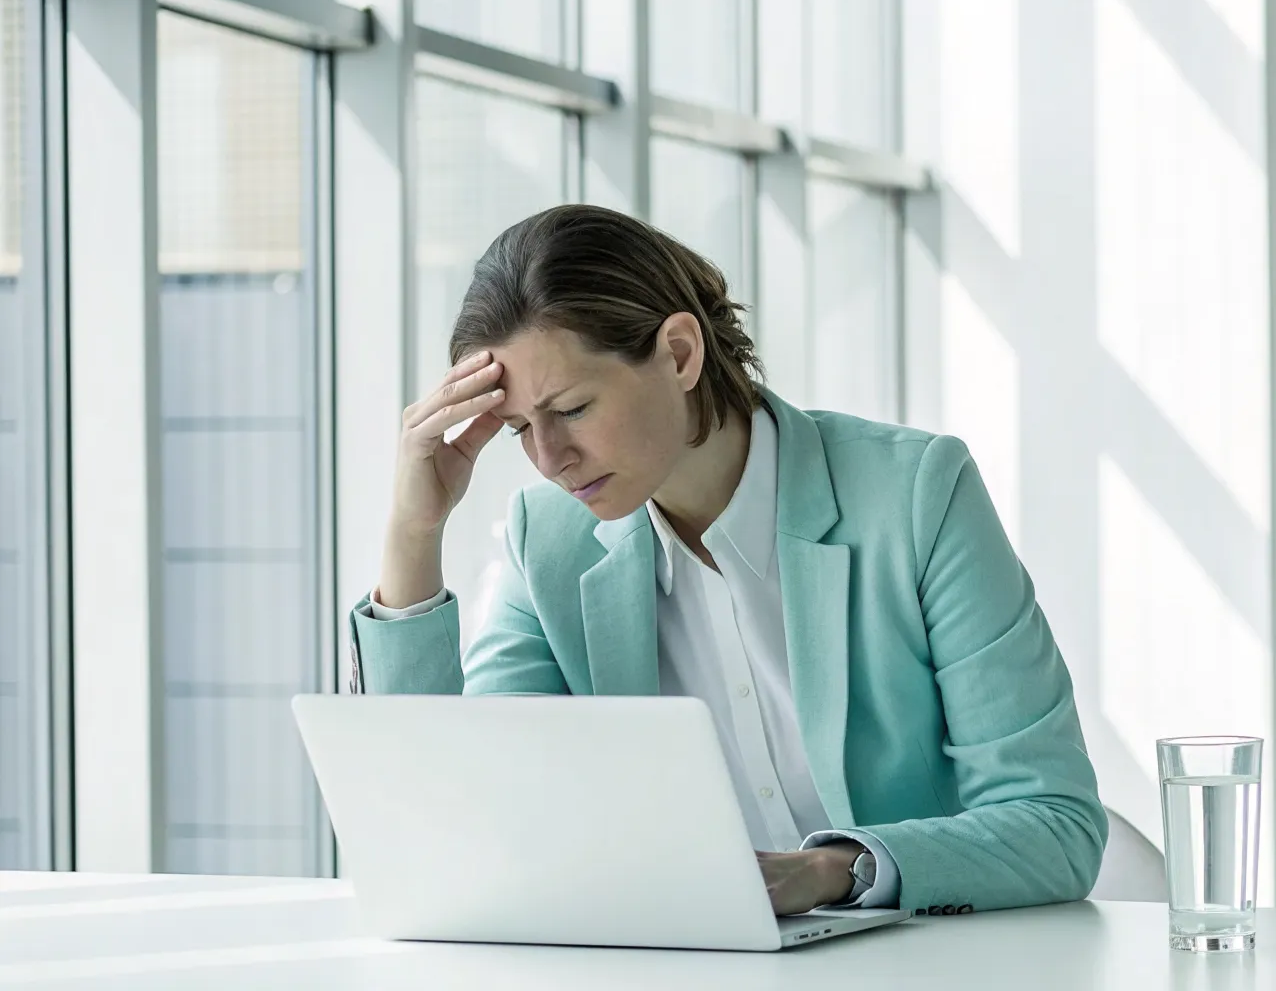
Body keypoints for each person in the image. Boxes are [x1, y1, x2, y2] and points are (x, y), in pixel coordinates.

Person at [347, 203, 1106, 918]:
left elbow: (1054, 824)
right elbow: (458, 822)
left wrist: (831, 871)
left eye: (572, 409)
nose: (549, 459)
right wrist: (415, 533)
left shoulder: (914, 496)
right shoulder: (545, 542)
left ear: (679, 353)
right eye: (518, 430)